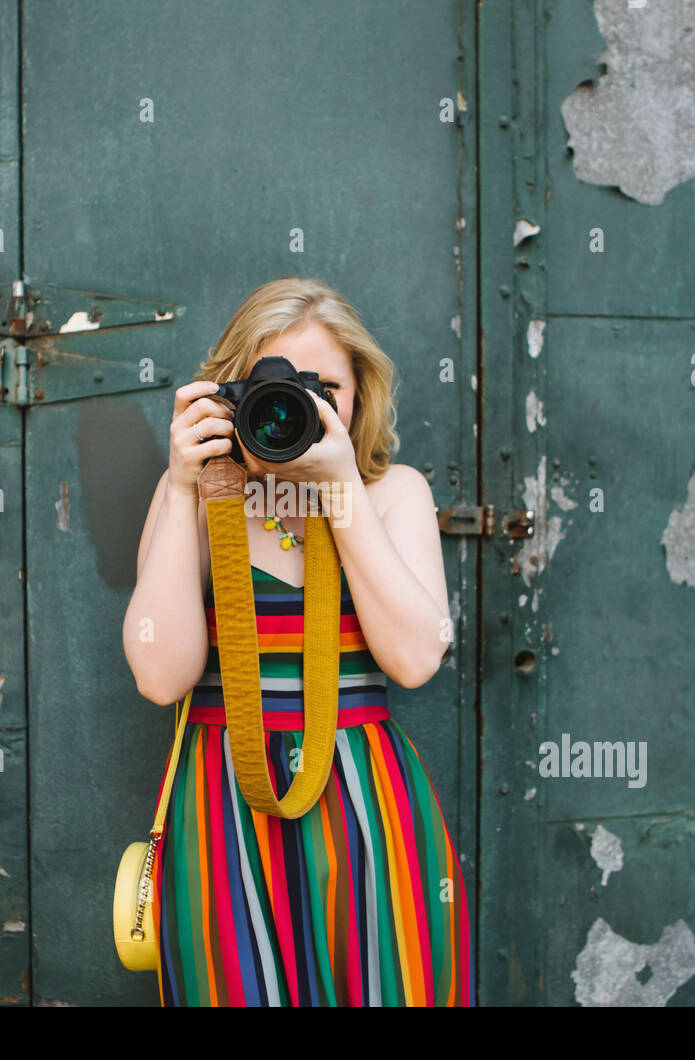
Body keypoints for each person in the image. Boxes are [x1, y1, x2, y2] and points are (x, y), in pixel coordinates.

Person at [122, 276, 474, 1006]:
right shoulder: (187, 496)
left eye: (325, 388)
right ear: (225, 394)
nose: (297, 407)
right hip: (221, 803)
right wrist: (188, 485)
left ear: (360, 397)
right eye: (269, 385)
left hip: (363, 802)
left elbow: (414, 661)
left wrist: (340, 485)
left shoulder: (392, 493)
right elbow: (161, 676)